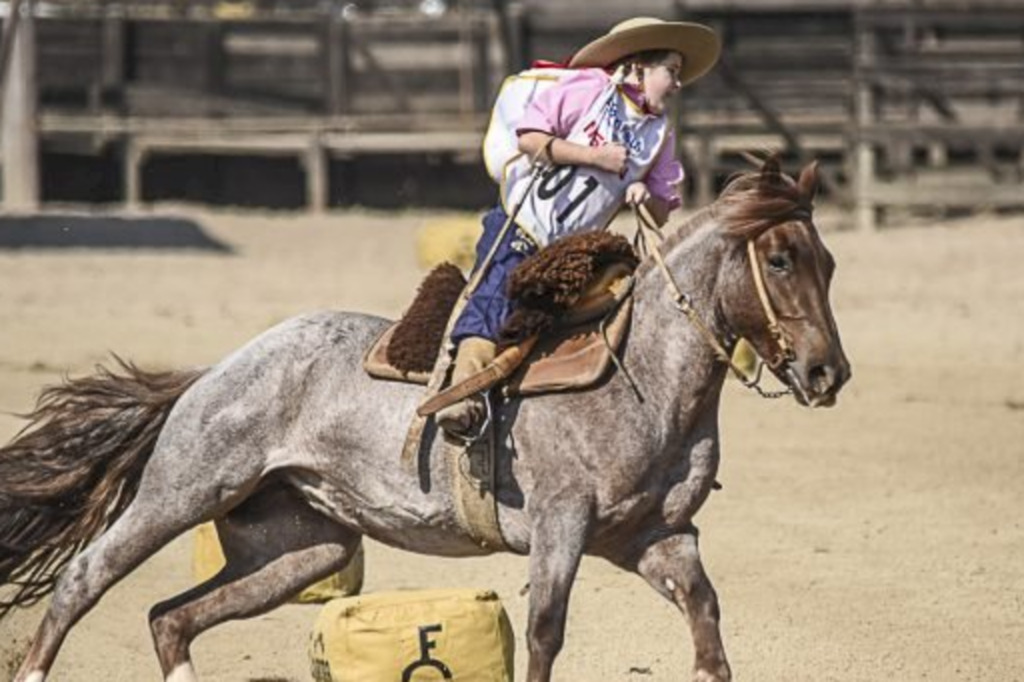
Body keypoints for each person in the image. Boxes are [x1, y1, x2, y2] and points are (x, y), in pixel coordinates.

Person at [435, 17, 721, 436]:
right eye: (671, 72)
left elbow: (662, 213)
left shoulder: (660, 135)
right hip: (521, 225)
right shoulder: (586, 87)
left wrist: (646, 194)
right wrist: (595, 157)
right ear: (639, 66)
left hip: (577, 249)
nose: (678, 85)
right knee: (493, 302)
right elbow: (530, 138)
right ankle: (461, 395)